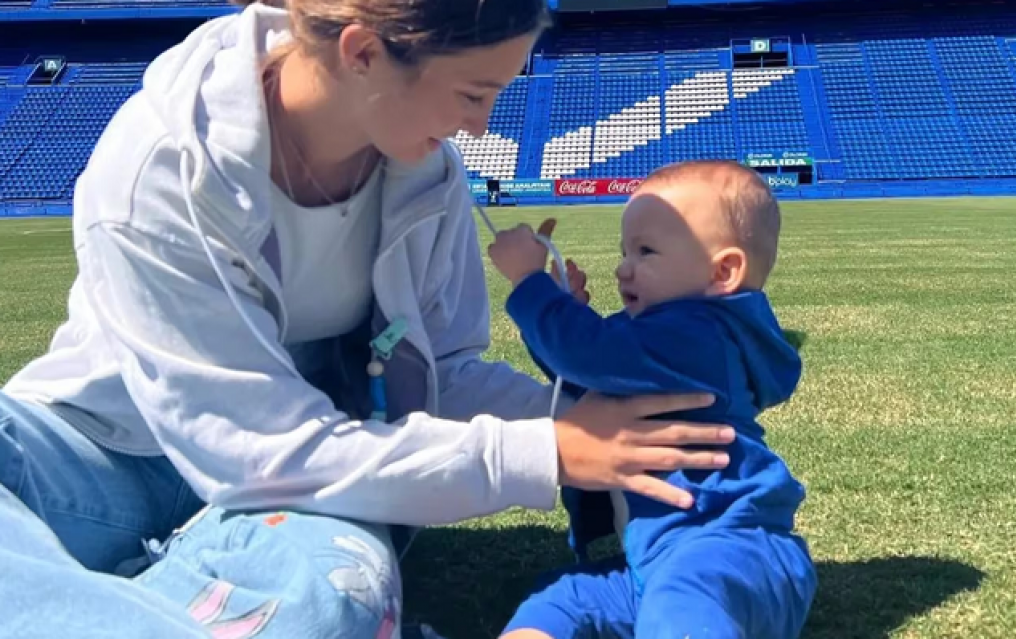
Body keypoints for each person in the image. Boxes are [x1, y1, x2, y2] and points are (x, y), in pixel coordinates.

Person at [0, 2, 739, 637]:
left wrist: (587, 418)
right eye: (474, 93)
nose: (481, 128)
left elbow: (441, 373)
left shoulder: (430, 175)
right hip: (108, 452)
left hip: (302, 488)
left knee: (331, 604)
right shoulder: (164, 164)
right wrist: (541, 452)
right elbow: (255, 449)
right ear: (362, 53)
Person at [486, 160, 818, 639]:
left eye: (645, 251)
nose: (623, 267)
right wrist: (568, 311)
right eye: (625, 250)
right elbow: (583, 382)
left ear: (723, 271)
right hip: (655, 562)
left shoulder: (702, 335)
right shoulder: (663, 338)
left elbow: (586, 355)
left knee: (682, 604)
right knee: (562, 596)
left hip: (729, 550)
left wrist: (530, 284)